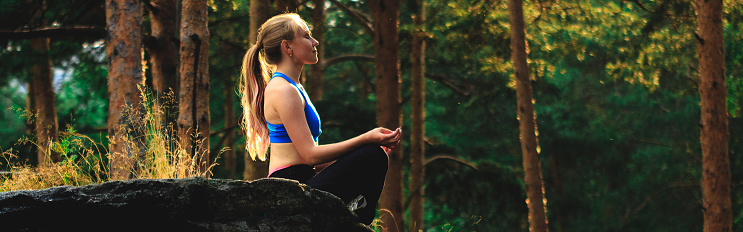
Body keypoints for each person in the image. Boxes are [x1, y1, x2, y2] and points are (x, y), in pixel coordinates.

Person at [238, 13, 402, 225]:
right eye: (306, 36)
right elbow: (310, 156)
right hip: (290, 191)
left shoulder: (294, 88)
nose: (315, 42)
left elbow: (310, 160)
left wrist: (362, 154)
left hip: (306, 180)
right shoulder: (283, 90)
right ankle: (351, 218)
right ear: (287, 47)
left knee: (373, 156)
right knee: (371, 153)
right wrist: (367, 139)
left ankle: (353, 215)